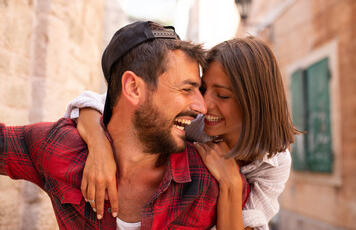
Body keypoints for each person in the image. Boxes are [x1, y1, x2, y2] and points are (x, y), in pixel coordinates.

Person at [0, 21, 250, 230]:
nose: (201, 107)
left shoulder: (213, 180)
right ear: (133, 88)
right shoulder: (60, 148)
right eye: (187, 89)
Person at [66, 36, 298, 230]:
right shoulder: (194, 123)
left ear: (254, 103)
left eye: (223, 95)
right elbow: (92, 103)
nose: (203, 105)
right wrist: (99, 147)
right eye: (203, 89)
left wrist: (232, 183)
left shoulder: (274, 164)